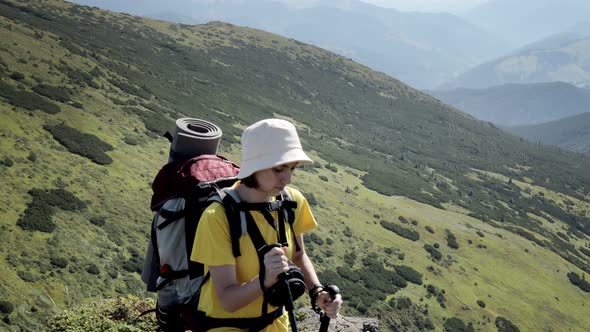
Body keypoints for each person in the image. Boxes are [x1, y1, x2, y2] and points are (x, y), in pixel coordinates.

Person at [191, 118, 342, 331]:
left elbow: (298, 256)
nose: (287, 178)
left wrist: (318, 292)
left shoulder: (291, 202)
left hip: (277, 324)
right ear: (255, 166)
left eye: (292, 168)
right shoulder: (217, 216)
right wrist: (265, 279)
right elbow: (227, 300)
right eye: (279, 169)